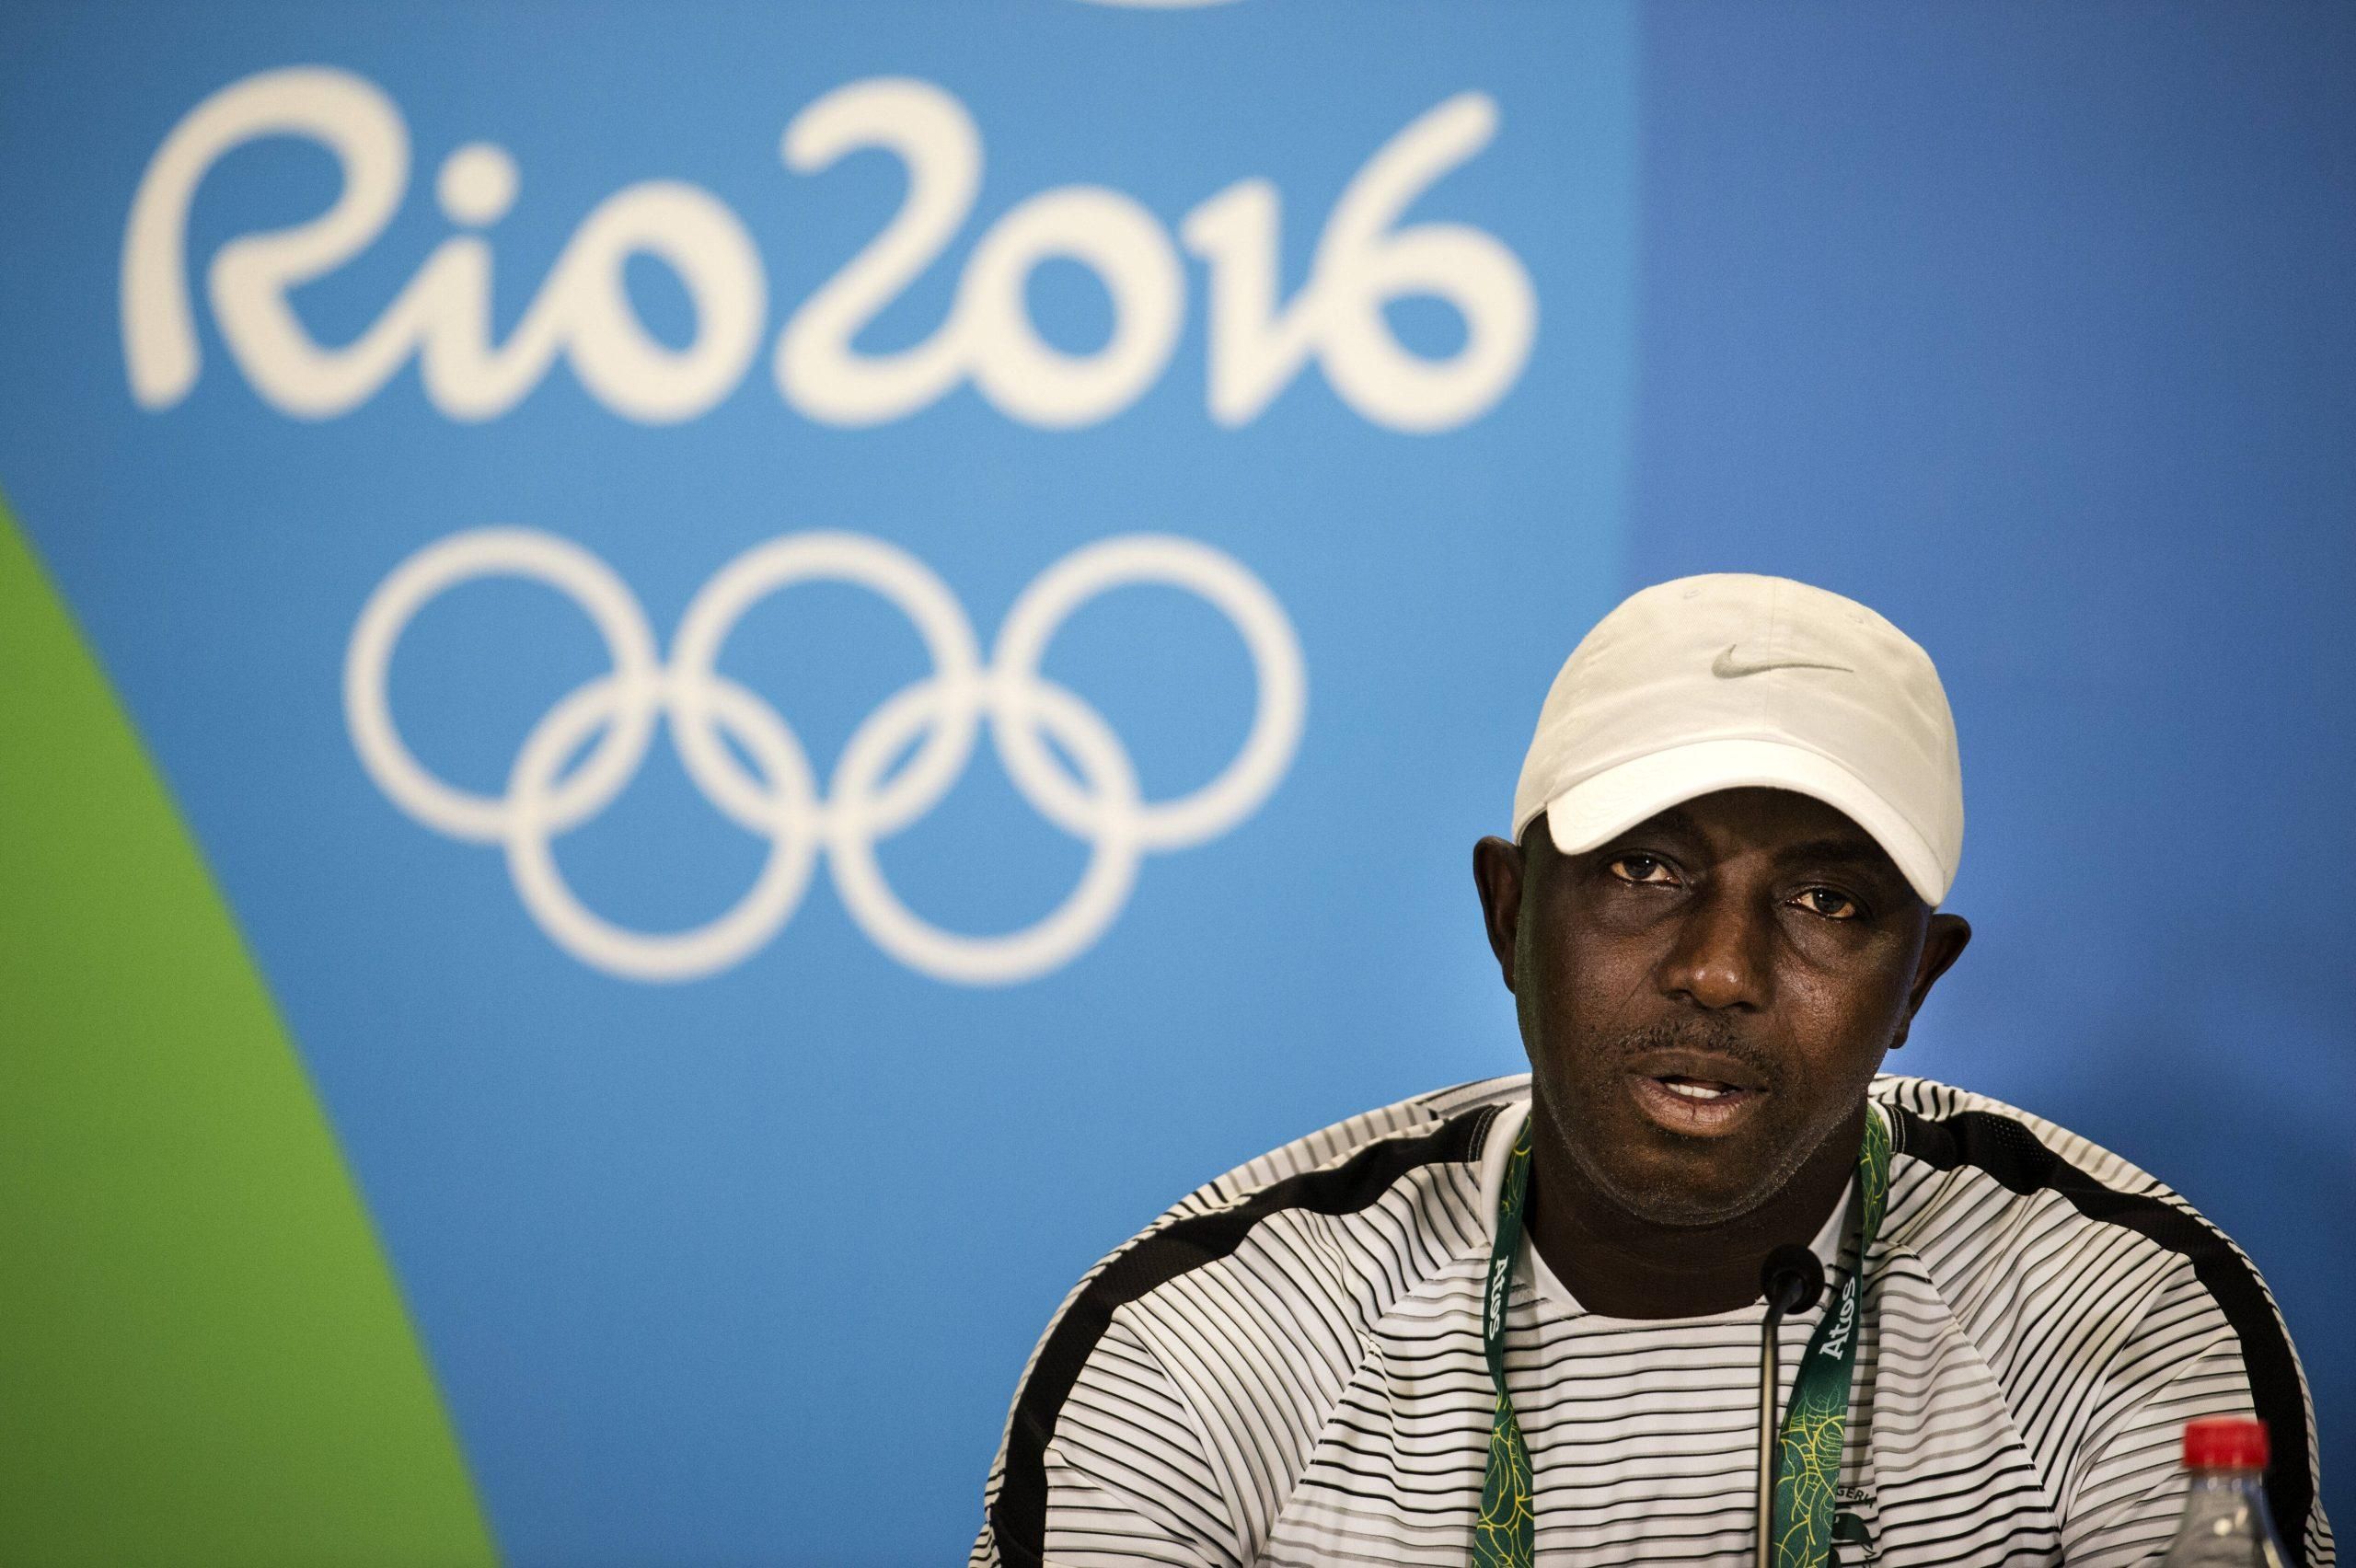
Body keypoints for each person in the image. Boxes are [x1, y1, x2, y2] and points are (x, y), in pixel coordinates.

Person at [969, 574, 2332, 1568]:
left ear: (1919, 982)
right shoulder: (1208, 1342)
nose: (1722, 971)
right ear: (1510, 916)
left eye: (1831, 904)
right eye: (1646, 869)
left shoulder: (2119, 1319)